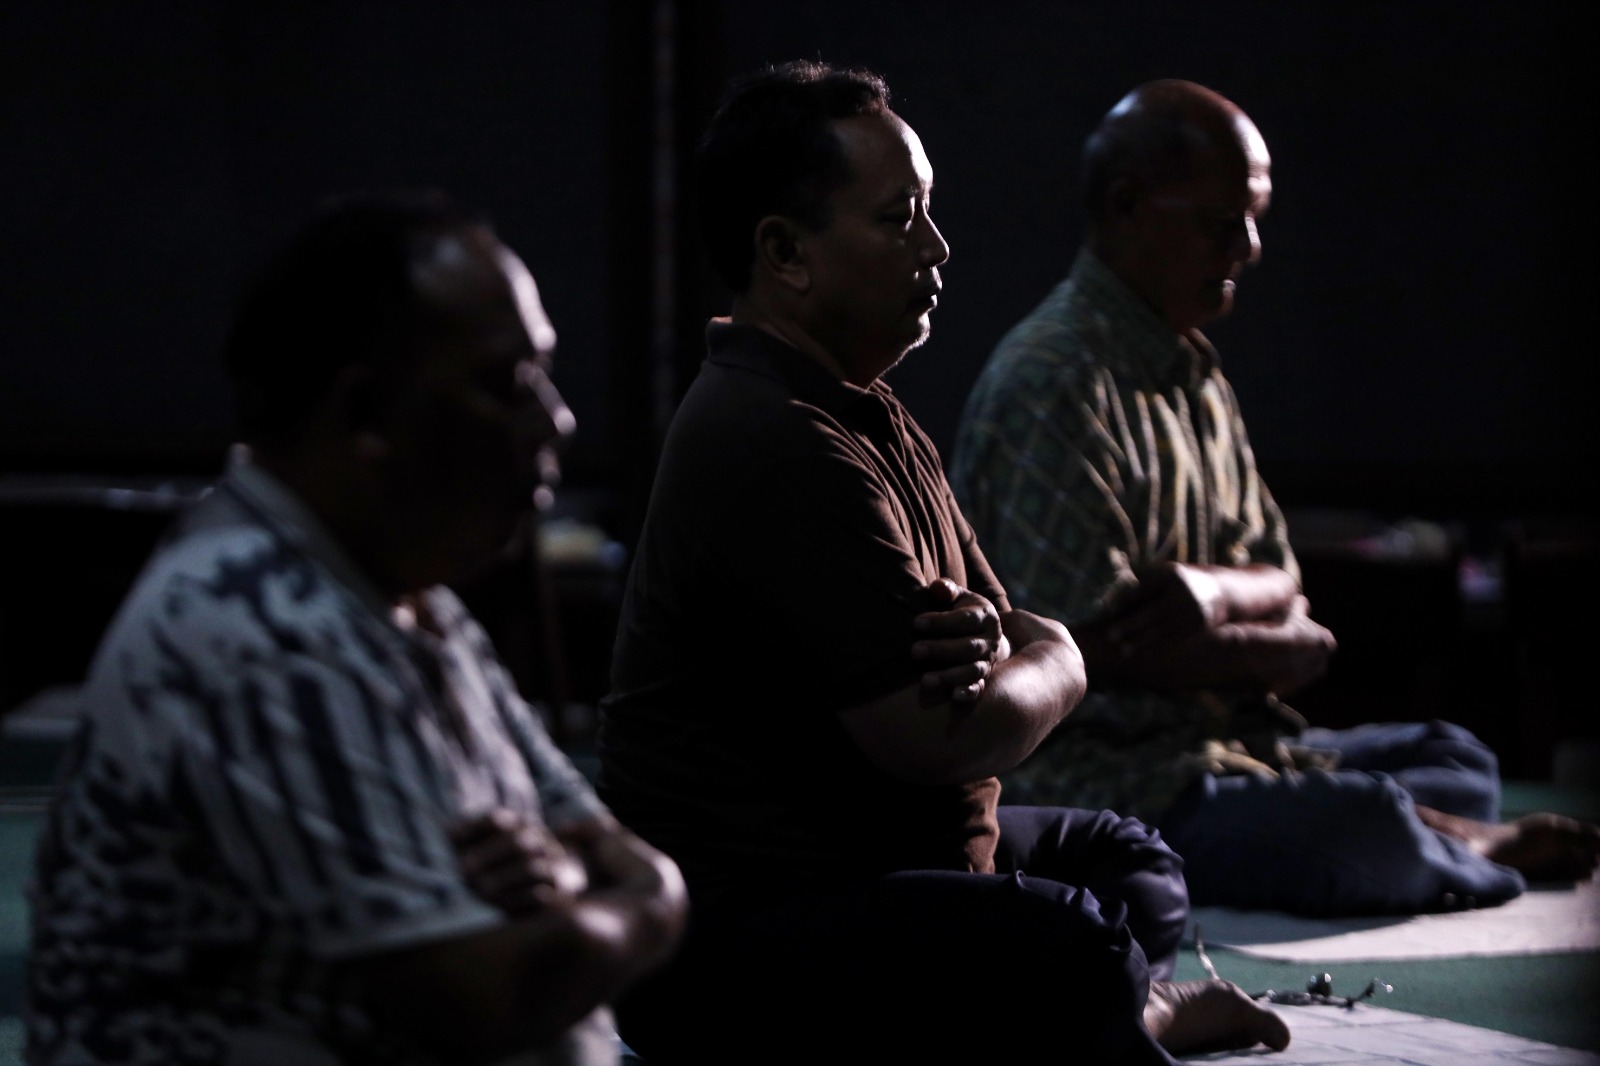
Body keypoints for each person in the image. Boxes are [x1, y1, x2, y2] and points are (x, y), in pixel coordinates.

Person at [596, 62, 1288, 1065]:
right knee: (1073, 940)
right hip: (744, 932)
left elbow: (1004, 623)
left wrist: (1017, 648)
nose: (936, 246)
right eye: (899, 219)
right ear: (785, 252)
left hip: (897, 861)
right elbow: (946, 739)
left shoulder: (866, 406)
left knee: (1130, 860)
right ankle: (1129, 1011)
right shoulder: (771, 436)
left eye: (928, 212)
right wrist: (1061, 657)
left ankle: (1097, 1010)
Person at [24, 191, 688, 1066]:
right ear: (367, 412)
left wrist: (566, 882)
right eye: (508, 383)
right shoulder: (261, 627)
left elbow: (590, 839)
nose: (555, 418)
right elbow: (481, 995)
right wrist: (652, 906)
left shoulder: (412, 603)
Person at [951, 79, 1600, 917]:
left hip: (1233, 742)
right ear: (1126, 206)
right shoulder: (1054, 381)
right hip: (1117, 774)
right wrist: (1277, 646)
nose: (1250, 249)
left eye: (1253, 220)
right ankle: (1455, 841)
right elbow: (1088, 651)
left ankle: (1429, 829)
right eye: (1224, 223)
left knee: (1458, 758)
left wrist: (1211, 592)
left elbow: (1279, 574)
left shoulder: (1195, 373)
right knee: (1359, 823)